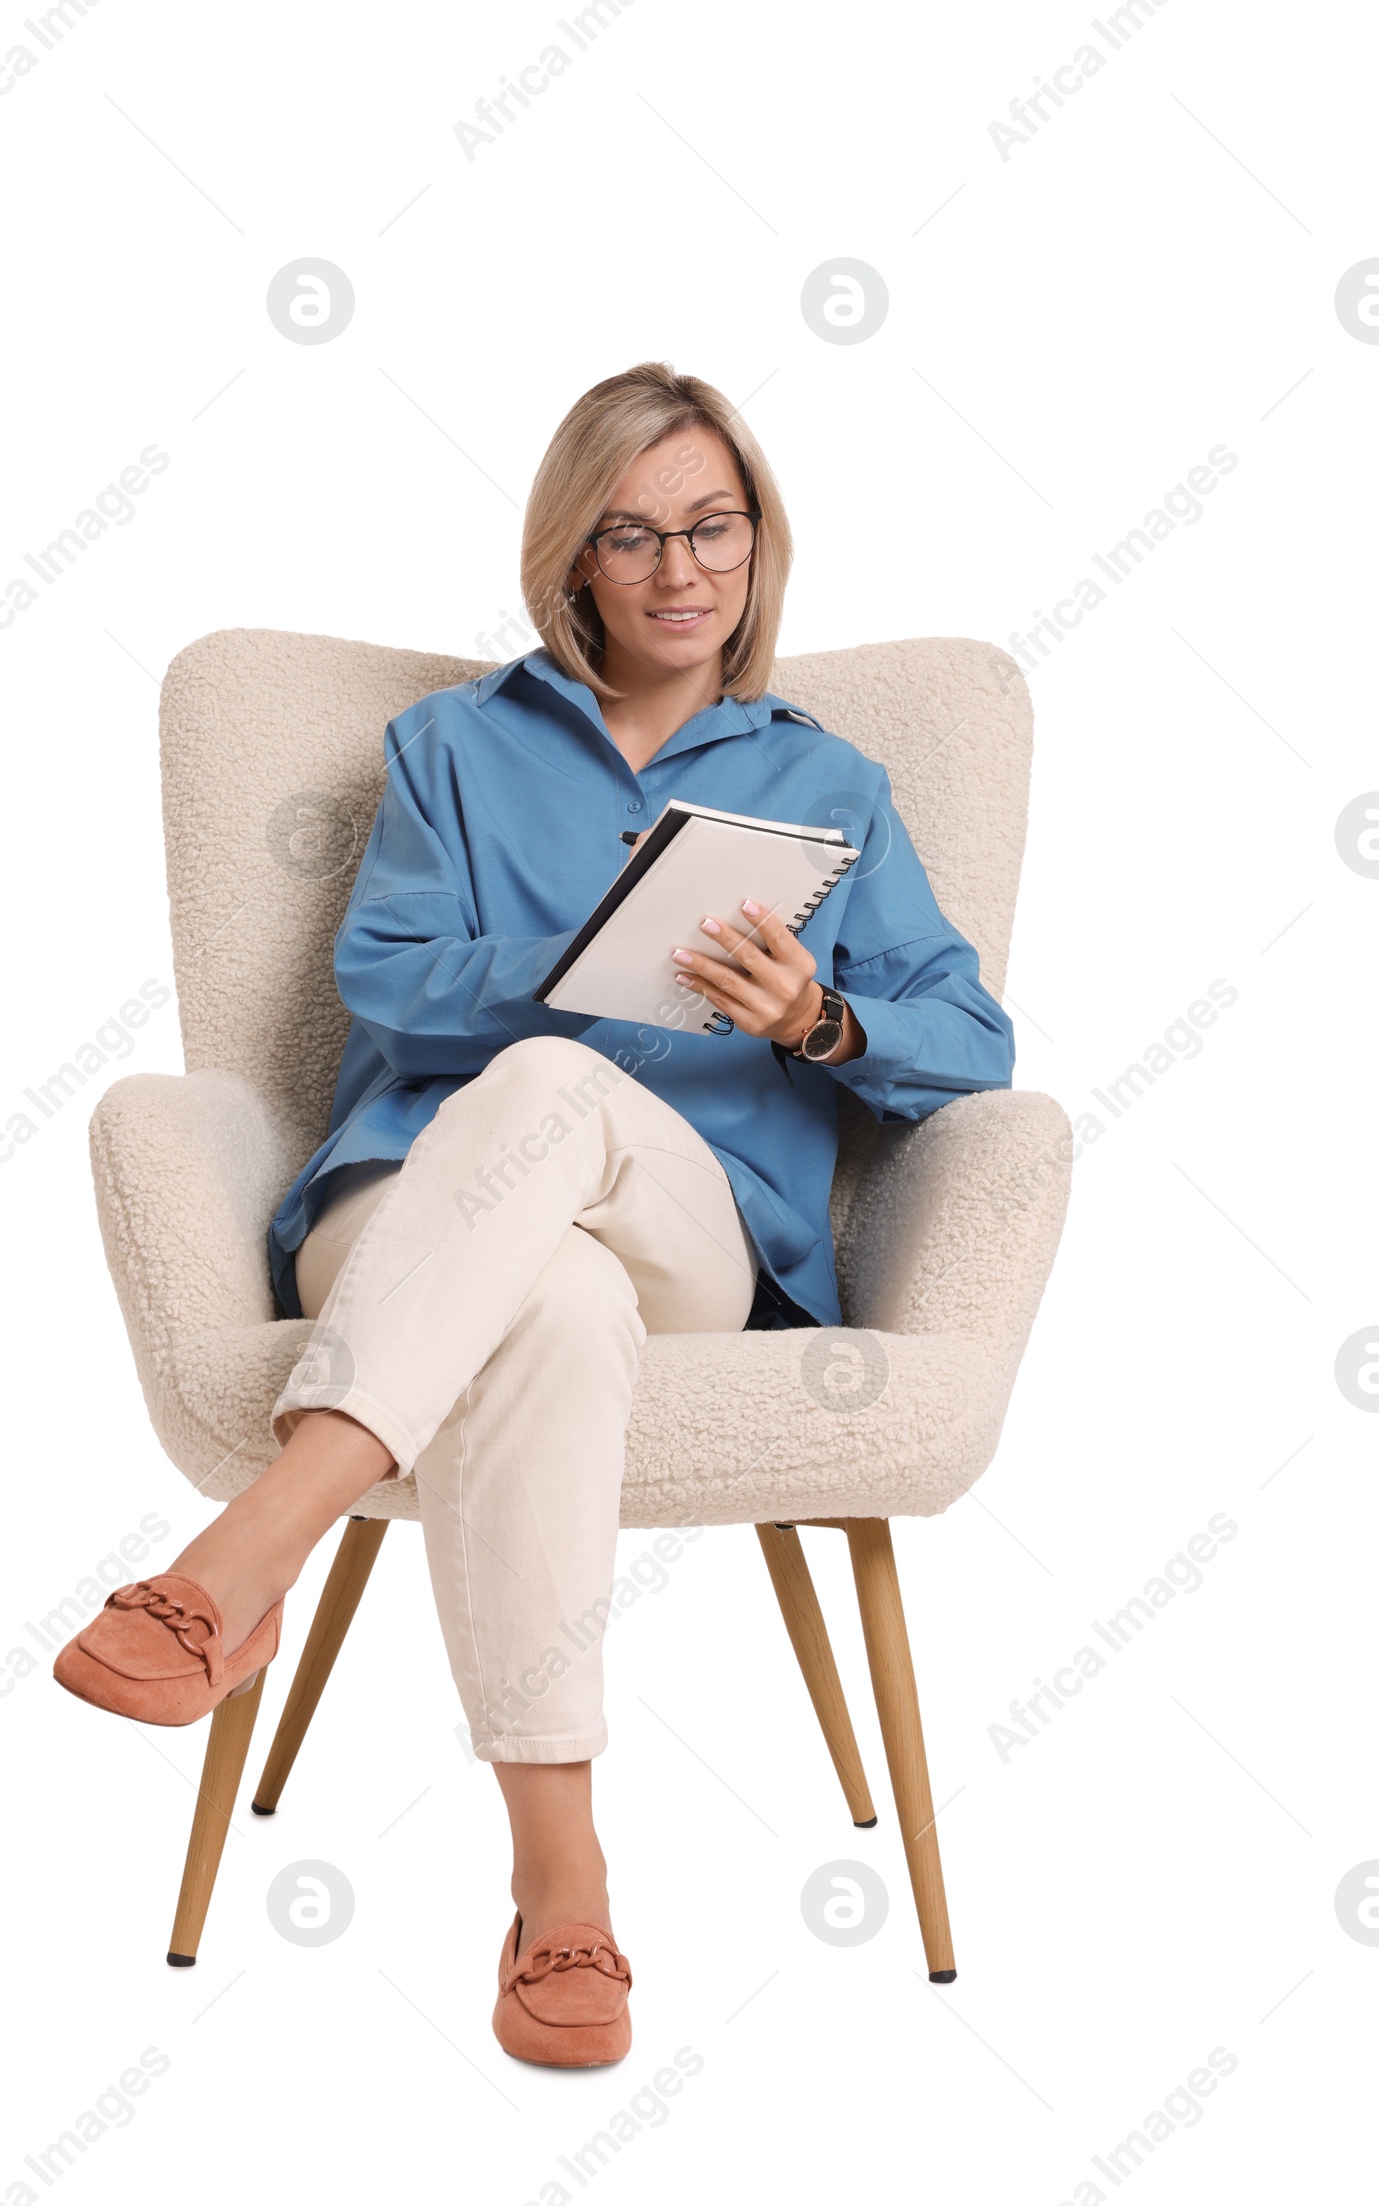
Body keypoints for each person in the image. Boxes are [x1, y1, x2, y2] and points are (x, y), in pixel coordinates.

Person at [54, 360, 1014, 2067]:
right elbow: (389, 983)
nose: (676, 568)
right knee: (549, 1274)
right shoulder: (449, 748)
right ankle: (560, 1886)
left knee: (563, 1108)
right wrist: (591, 970)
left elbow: (971, 1043)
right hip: (413, 1207)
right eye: (630, 534)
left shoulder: (834, 786)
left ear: (755, 539)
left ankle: (261, 1538)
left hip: (701, 1239)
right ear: (575, 558)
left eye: (710, 526)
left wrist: (819, 1021)